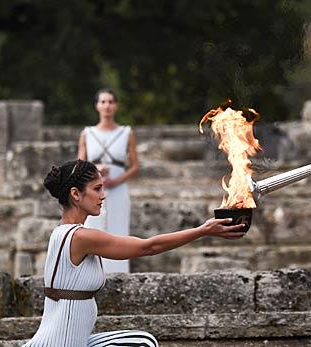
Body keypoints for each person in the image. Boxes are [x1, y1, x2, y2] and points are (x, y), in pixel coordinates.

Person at [23, 159, 245, 346]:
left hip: (77, 341)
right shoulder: (81, 237)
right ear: (75, 194)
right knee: (143, 343)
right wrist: (202, 230)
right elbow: (148, 247)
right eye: (97, 188)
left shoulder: (64, 233)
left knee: (142, 340)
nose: (103, 195)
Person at [78, 88, 137, 273]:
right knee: (92, 230)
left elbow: (135, 166)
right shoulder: (87, 133)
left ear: (116, 105)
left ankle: (119, 275)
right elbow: (79, 165)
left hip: (118, 189)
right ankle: (91, 274)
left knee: (118, 231)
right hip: (92, 188)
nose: (107, 105)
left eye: (111, 101)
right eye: (103, 102)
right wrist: (95, 171)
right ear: (97, 106)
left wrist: (116, 180)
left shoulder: (126, 132)